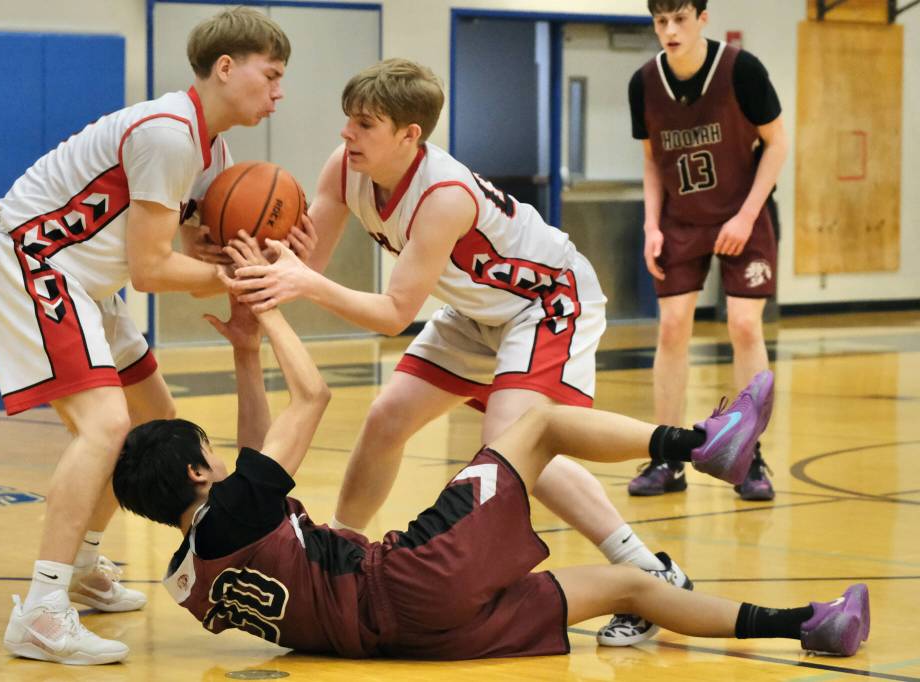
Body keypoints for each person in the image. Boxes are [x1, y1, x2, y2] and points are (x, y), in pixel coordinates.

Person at [112, 244, 870, 661]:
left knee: (628, 589)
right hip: (408, 578)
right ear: (193, 471)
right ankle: (700, 445)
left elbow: (251, 454)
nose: (222, 457)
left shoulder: (193, 576)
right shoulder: (234, 508)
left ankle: (806, 624)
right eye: (205, 452)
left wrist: (245, 353)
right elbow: (309, 399)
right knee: (533, 426)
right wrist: (272, 308)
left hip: (416, 640)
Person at [219, 58, 686, 647]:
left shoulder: (443, 195)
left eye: (364, 124)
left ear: (409, 136)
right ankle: (333, 555)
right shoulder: (345, 168)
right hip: (476, 311)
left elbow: (392, 313)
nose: (346, 134)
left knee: (510, 449)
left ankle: (650, 570)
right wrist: (257, 265)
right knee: (387, 418)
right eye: (348, 120)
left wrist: (305, 284)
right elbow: (305, 266)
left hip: (543, 301)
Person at [0, 7, 305, 665]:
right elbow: (154, 271)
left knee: (156, 423)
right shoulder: (169, 134)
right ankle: (42, 610)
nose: (278, 93)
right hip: (36, 260)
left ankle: (86, 567)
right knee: (106, 427)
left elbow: (190, 253)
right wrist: (242, 277)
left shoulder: (214, 152)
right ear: (225, 67)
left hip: (87, 279)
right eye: (270, 76)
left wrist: (271, 257)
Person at [626, 0, 787, 500]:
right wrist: (651, 224)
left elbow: (777, 144)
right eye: (660, 21)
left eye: (679, 19)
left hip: (744, 212)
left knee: (743, 325)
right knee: (672, 328)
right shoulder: (644, 82)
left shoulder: (743, 69)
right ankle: (666, 458)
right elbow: (653, 161)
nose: (670, 31)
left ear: (702, 18)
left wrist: (745, 216)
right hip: (680, 219)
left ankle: (751, 457)